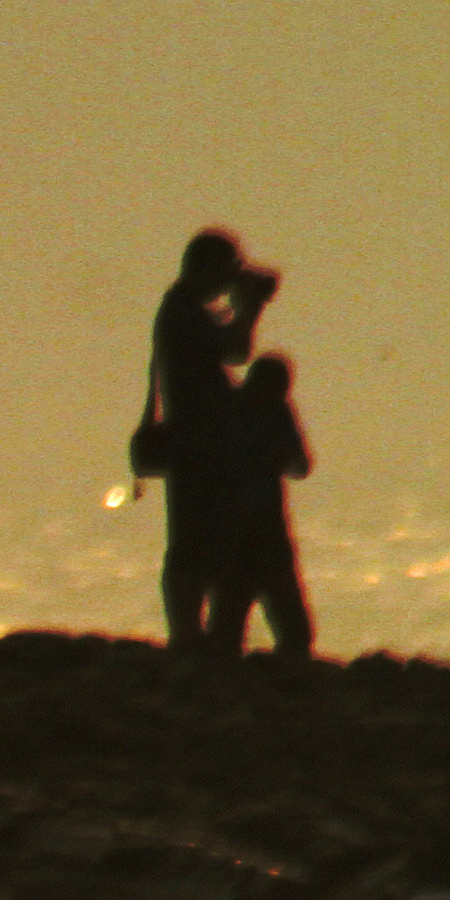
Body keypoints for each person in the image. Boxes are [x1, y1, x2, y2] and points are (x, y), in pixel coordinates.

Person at [141, 228, 276, 649]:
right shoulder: (184, 313)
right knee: (197, 541)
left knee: (204, 539)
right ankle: (188, 634)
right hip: (198, 445)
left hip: (200, 444)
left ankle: (193, 634)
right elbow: (236, 349)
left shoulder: (183, 311)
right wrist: (249, 307)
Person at [208, 349, 317, 662]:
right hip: (236, 521)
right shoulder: (229, 410)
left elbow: (300, 465)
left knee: (287, 615)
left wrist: (275, 455)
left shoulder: (277, 412)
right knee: (231, 608)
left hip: (264, 520)